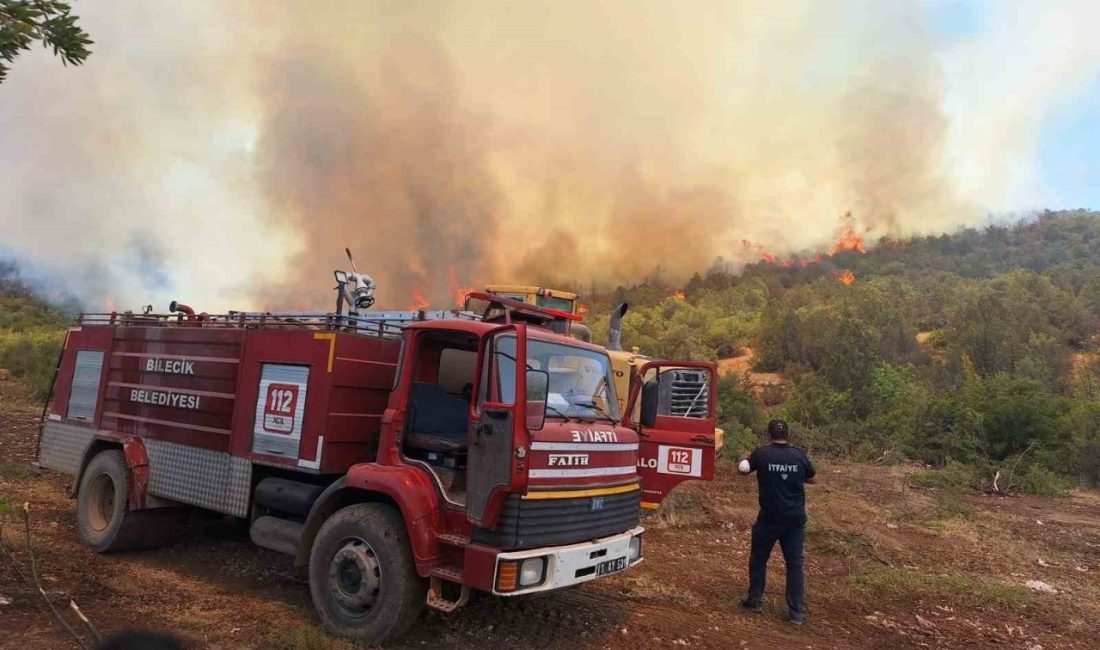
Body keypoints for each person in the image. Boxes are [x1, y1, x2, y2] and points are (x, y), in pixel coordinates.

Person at [737, 418, 816, 625]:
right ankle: (797, 613)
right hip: (795, 519)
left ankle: (755, 599)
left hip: (770, 518)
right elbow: (812, 477)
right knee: (794, 564)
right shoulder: (799, 455)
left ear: (769, 435)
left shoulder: (761, 454)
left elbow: (743, 470)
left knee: (759, 558)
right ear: (788, 435)